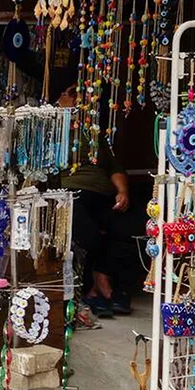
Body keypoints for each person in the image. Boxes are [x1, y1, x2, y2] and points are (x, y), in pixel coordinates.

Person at [54, 78, 138, 319]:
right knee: (88, 234)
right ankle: (91, 288)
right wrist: (61, 110)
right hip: (71, 193)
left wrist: (123, 192)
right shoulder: (53, 127)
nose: (81, 102)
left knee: (128, 227)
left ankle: (102, 278)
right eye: (75, 96)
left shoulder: (94, 134)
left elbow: (115, 168)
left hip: (102, 195)